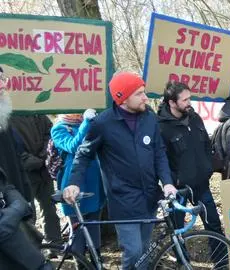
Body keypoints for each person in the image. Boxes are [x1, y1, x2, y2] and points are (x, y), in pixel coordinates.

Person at [63, 71, 177, 270]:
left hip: (149, 198)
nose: (145, 97)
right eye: (139, 93)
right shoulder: (103, 124)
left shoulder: (149, 119)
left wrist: (167, 182)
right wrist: (74, 182)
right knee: (133, 252)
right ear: (123, 98)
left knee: (144, 252)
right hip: (123, 201)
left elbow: (159, 153)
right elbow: (83, 155)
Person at [157, 81, 225, 262]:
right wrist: (171, 182)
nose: (190, 102)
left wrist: (208, 167)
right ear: (172, 102)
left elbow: (205, 145)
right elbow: (160, 159)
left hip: (202, 184)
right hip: (178, 188)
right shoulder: (161, 127)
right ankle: (183, 262)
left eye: (190, 98)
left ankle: (222, 262)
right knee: (177, 230)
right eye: (185, 99)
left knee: (214, 225)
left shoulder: (195, 118)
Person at [0, 67, 53, 269]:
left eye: (3, 78)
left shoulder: (4, 123)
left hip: (16, 212)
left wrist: (21, 204)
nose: (4, 85)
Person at [50, 112, 105, 265]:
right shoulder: (59, 128)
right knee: (77, 228)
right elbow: (74, 146)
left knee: (94, 223)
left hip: (95, 182)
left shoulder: (94, 122)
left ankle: (96, 261)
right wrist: (86, 122)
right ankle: (80, 262)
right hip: (72, 184)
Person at [10, 114, 62, 245]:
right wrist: (32, 161)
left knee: (50, 208)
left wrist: (45, 155)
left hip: (43, 171)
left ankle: (54, 243)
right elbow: (11, 146)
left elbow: (49, 134)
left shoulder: (39, 113)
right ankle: (32, 249)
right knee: (28, 213)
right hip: (23, 173)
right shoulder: (7, 117)